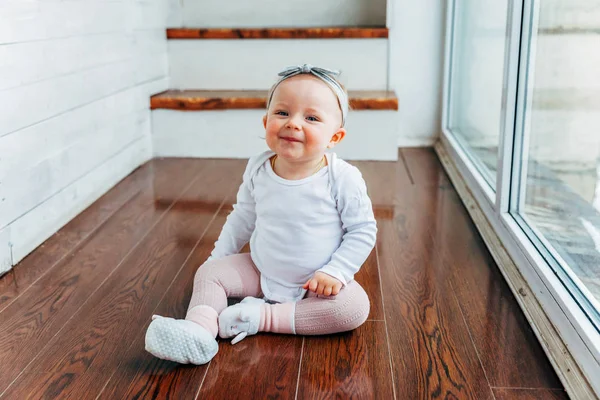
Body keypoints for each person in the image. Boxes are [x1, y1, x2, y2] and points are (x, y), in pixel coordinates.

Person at [145, 64, 377, 365]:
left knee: (353, 308)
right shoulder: (258, 167)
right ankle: (198, 331)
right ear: (266, 120)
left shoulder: (342, 178)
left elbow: (363, 230)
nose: (293, 123)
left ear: (335, 137)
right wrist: (220, 256)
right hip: (262, 268)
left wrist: (336, 271)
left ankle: (262, 316)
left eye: (311, 118)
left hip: (314, 283)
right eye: (282, 113)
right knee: (209, 273)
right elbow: (243, 217)